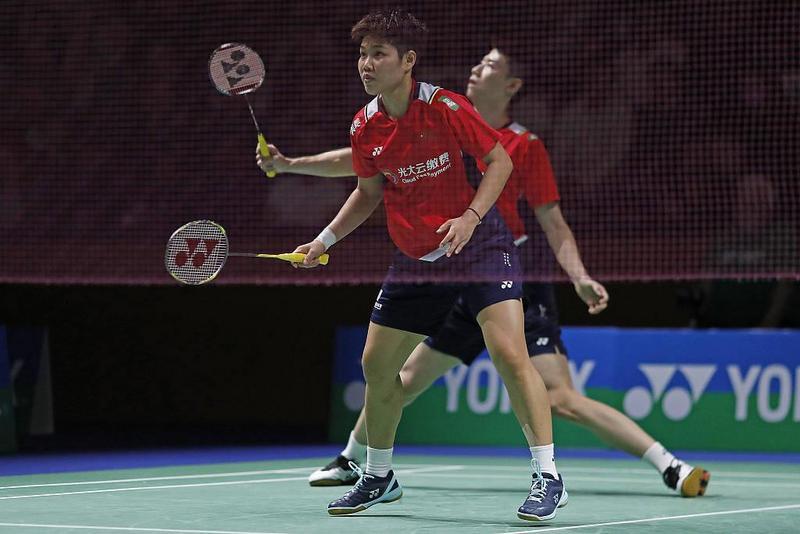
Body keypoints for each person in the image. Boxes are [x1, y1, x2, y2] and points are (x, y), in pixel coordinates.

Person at [260, 44, 711, 498]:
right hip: (444, 272)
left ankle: (666, 464)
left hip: (502, 270)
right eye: (477, 63)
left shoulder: (520, 144)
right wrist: (291, 165)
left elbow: (553, 221)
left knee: (557, 394)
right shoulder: (432, 120)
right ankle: (355, 460)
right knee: (401, 374)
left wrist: (578, 276)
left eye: (490, 65)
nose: (476, 69)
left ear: (512, 85)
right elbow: (369, 161)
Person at [289, 9, 566, 521]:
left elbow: (500, 161)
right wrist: (323, 240)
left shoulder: (445, 107)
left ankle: (547, 476)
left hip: (478, 246)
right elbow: (367, 192)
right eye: (362, 54)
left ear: (407, 60)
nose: (366, 64)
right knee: (377, 366)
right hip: (417, 258)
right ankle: (378, 476)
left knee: (509, 353)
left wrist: (470, 216)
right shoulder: (365, 126)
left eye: (378, 54)